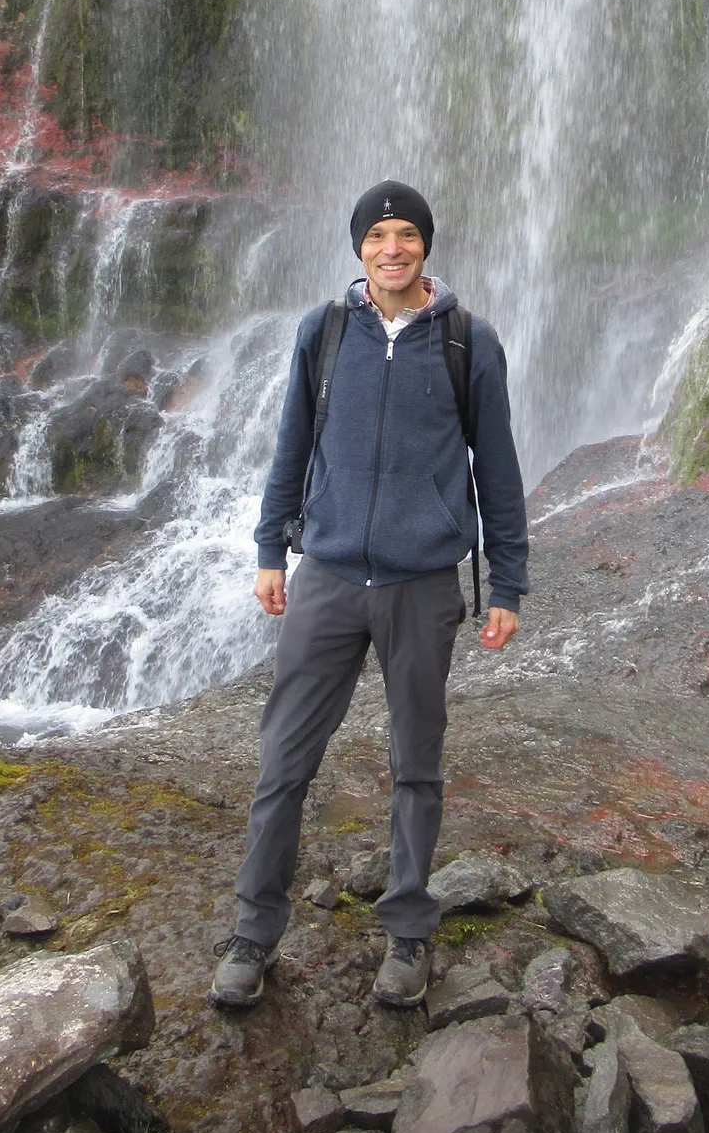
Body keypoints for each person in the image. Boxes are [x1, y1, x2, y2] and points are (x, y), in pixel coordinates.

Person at [210, 179, 528, 1011]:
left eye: (407, 235)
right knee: (283, 761)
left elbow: (498, 468)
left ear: (426, 246)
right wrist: (270, 548)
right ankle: (252, 932)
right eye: (379, 236)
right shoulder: (323, 332)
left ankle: (409, 931)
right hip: (328, 575)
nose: (393, 248)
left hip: (422, 583)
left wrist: (507, 580)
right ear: (359, 246)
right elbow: (292, 445)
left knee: (416, 763)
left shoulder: (467, 341)